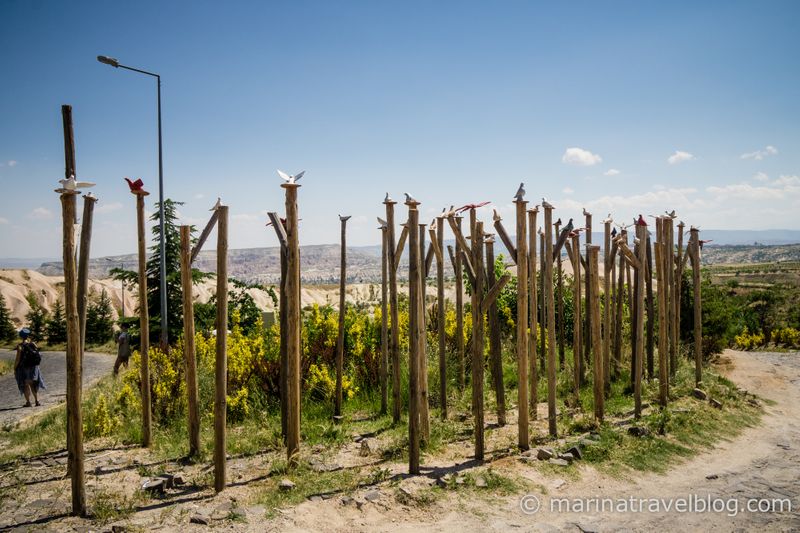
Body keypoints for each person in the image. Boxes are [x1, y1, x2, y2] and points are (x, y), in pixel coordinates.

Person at [14, 327, 45, 407]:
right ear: (28, 336)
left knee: (25, 384)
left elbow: (17, 359)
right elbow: (38, 353)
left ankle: (28, 402)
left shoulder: (20, 346)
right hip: (34, 367)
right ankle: (37, 401)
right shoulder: (33, 344)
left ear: (21, 336)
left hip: (24, 368)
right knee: (33, 383)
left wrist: (15, 368)